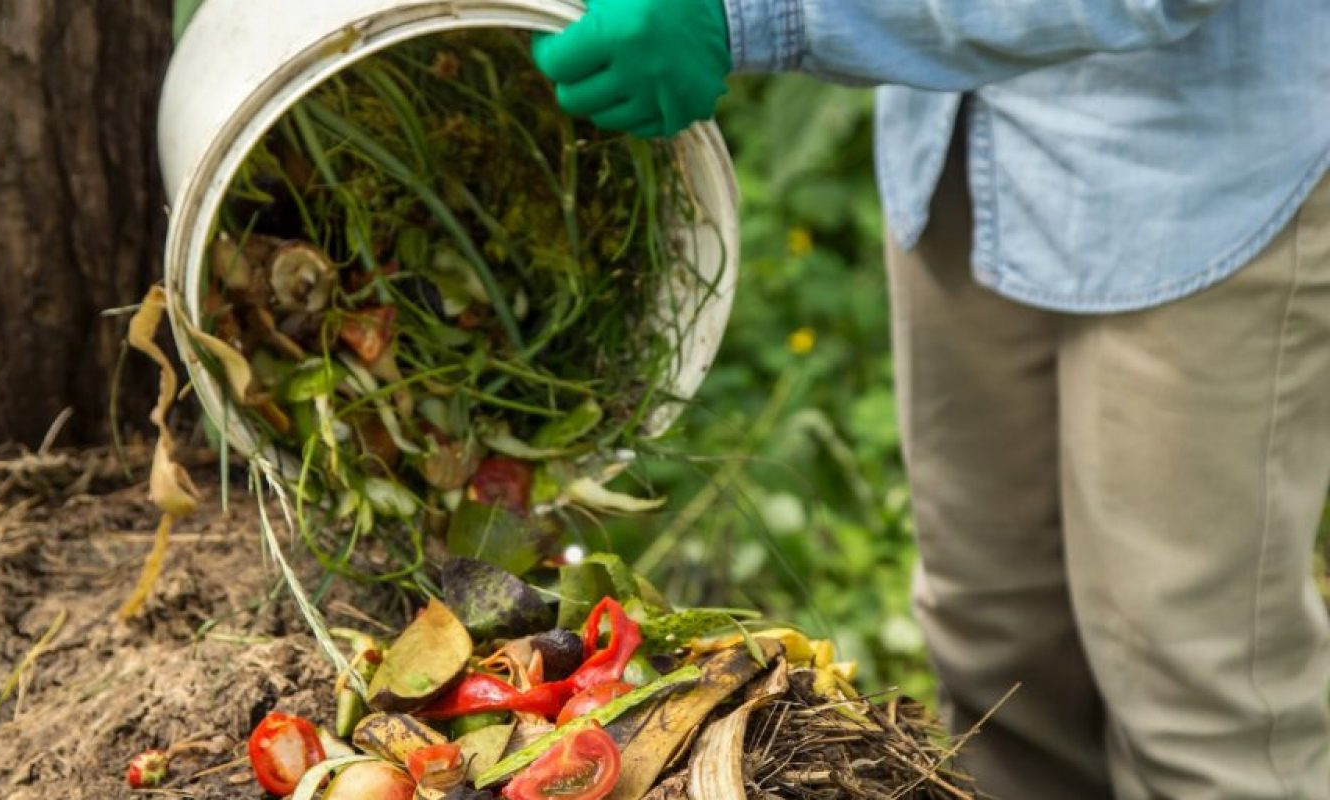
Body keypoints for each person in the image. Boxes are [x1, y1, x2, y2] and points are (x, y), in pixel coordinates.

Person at [531, 3, 1330, 798]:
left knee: (1192, 688)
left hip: (1201, 179)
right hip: (958, 135)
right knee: (998, 653)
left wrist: (753, 16)